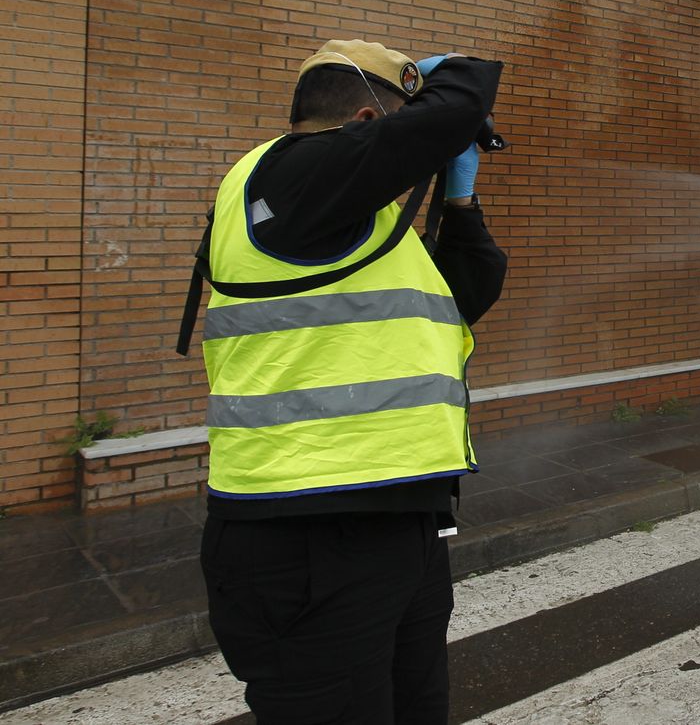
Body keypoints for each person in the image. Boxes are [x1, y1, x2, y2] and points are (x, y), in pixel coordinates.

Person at [192, 39, 507, 724]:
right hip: (305, 533)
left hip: (396, 526)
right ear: (368, 122)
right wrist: (436, 78)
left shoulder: (348, 218)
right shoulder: (290, 176)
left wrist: (459, 198)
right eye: (398, 129)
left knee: (415, 708)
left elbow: (466, 293)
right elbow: (463, 99)